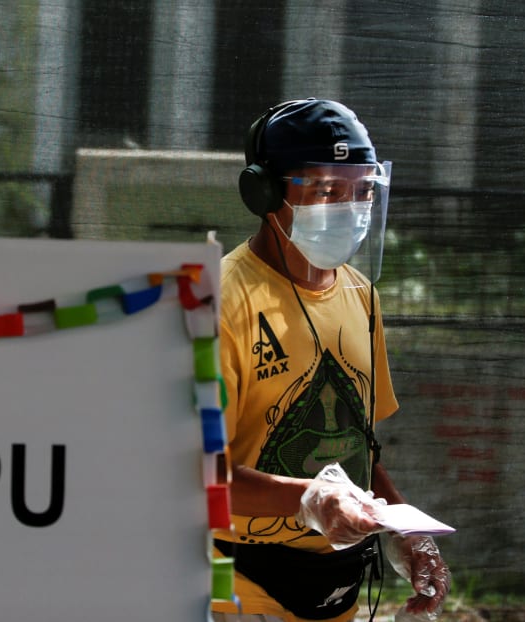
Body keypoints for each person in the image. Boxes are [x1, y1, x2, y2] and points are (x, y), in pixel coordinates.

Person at [211, 98, 450, 622]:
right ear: (266, 193)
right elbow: (199, 472)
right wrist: (307, 499)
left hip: (339, 581)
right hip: (239, 584)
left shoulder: (361, 296)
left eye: (363, 189)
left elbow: (358, 443)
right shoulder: (223, 302)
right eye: (325, 190)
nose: (350, 206)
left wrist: (404, 530)